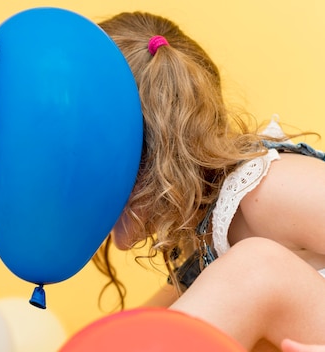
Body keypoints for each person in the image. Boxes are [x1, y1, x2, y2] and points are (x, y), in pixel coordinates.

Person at [91, 11, 325, 351]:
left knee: (255, 270)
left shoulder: (267, 188)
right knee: (139, 328)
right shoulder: (202, 236)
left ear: (150, 161)